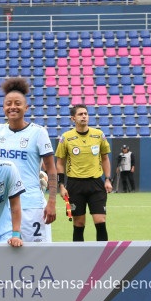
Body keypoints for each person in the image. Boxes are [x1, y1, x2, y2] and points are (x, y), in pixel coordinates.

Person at [0, 78, 57, 242]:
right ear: (4, 108)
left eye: (18, 103)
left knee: (37, 255)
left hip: (32, 205)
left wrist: (52, 202)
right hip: (2, 207)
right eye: (8, 103)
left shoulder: (38, 132)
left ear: (26, 107)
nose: (13, 107)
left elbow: (51, 169)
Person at [56, 104, 112, 242]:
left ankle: (102, 258)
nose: (84, 116)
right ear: (73, 118)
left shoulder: (99, 135)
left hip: (96, 184)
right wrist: (61, 185)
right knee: (79, 224)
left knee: (100, 222)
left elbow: (105, 158)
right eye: (80, 114)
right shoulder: (66, 137)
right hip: (75, 185)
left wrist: (108, 179)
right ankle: (78, 258)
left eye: (85, 114)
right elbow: (59, 163)